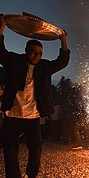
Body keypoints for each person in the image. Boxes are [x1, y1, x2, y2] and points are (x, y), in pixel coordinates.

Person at [0, 14, 70, 178]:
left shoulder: (44, 67)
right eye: (33, 52)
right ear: (26, 51)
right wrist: (2, 25)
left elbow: (62, 61)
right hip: (13, 113)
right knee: (10, 149)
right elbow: (0, 51)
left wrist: (63, 40)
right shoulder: (14, 61)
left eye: (39, 53)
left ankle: (31, 175)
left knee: (36, 148)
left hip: (33, 115)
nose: (36, 55)